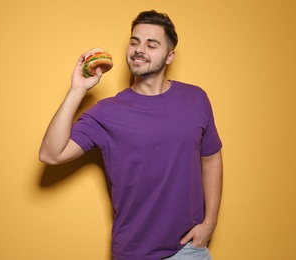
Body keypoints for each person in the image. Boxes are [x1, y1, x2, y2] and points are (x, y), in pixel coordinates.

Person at [39, 10, 223, 260]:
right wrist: (76, 90)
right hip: (133, 252)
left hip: (189, 250)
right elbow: (51, 154)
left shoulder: (196, 99)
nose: (139, 49)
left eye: (151, 44)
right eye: (134, 41)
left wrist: (210, 222)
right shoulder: (107, 112)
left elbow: (211, 159)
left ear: (170, 56)